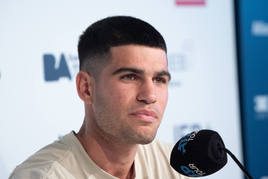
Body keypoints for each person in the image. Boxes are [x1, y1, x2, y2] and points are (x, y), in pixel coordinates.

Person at [9, 16, 192, 179]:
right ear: (86, 88)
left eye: (159, 79)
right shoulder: (42, 176)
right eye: (130, 76)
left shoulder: (175, 166)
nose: (150, 96)